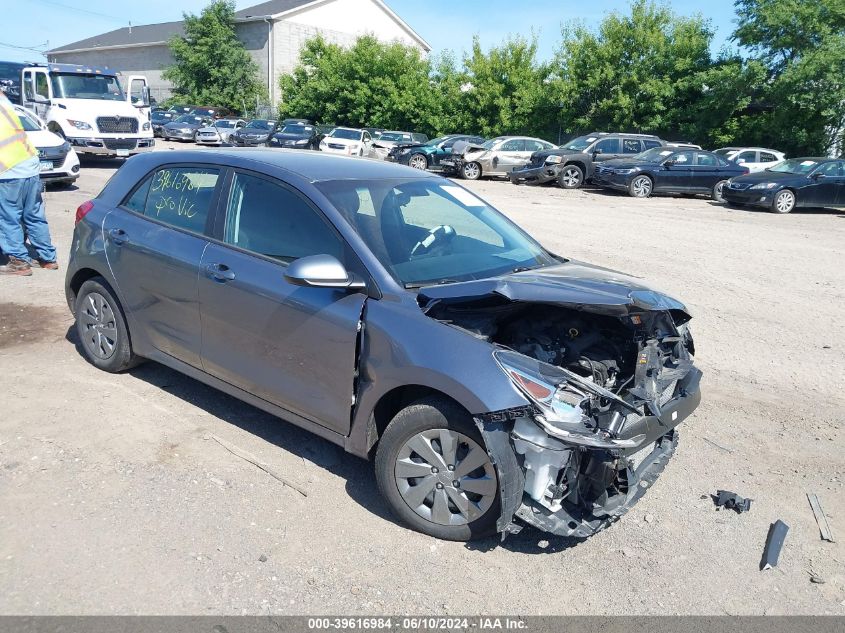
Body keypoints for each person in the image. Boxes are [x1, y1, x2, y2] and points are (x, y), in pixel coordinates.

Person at [0, 85, 57, 276]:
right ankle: (47, 258)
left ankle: (18, 262)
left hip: (9, 169)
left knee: (9, 217)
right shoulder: (5, 103)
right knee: (33, 214)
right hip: (30, 164)